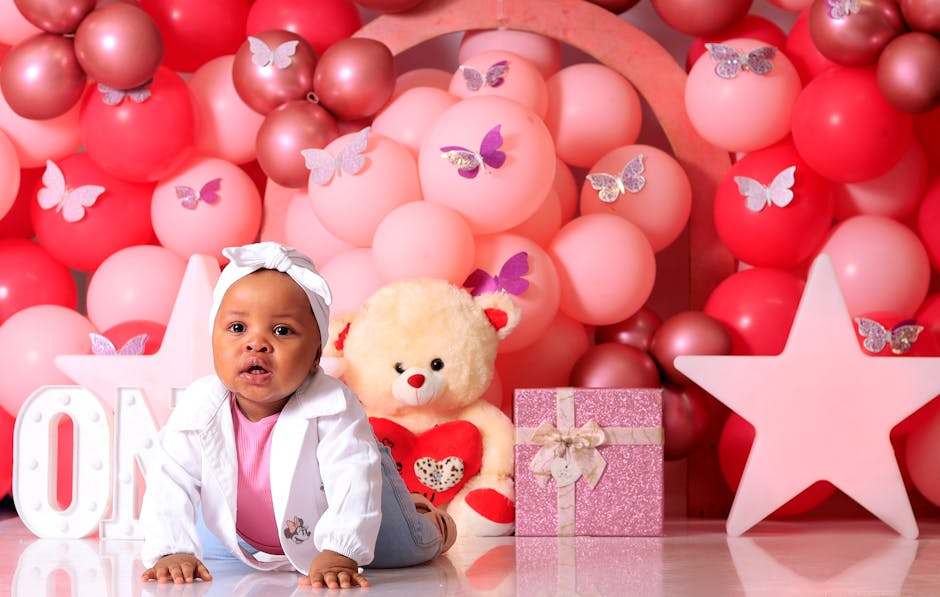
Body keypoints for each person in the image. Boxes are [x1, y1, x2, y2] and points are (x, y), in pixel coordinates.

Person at [139, 242, 456, 589]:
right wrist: (171, 549)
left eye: (281, 330)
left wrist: (339, 551)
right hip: (263, 531)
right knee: (211, 546)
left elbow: (353, 479)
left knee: (402, 548)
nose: (256, 343)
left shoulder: (332, 405)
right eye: (237, 328)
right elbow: (170, 477)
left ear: (315, 355)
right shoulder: (200, 406)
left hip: (349, 505)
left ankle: (429, 518)